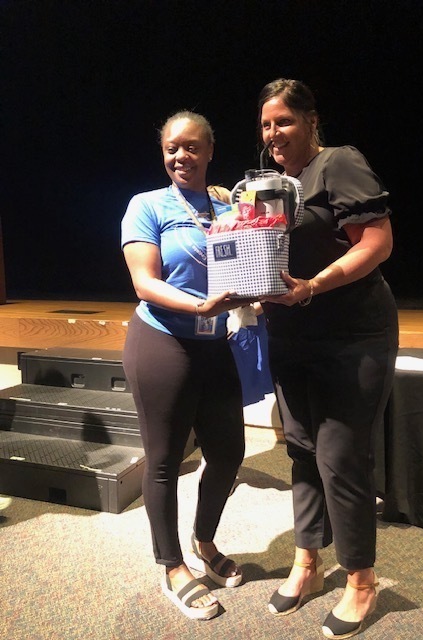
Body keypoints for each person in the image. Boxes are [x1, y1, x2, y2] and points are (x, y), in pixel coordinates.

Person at [257, 79, 399, 638]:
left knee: (341, 457)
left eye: (283, 121)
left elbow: (377, 242)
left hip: (351, 334)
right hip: (292, 333)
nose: (273, 133)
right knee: (300, 450)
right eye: (266, 124)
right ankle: (308, 562)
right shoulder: (270, 186)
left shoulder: (337, 163)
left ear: (311, 121)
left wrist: (313, 285)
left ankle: (361, 581)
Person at [121, 110, 245, 621]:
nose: (181, 156)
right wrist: (199, 306)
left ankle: (203, 541)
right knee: (165, 460)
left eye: (192, 146)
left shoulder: (228, 206)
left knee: (229, 453)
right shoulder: (146, 205)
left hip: (215, 343)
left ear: (210, 151)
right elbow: (144, 282)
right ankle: (172, 567)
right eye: (172, 147)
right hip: (161, 340)